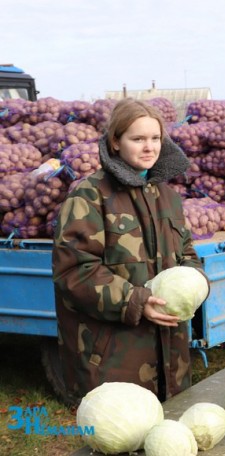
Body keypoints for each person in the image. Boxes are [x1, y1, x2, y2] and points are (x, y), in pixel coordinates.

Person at [52, 99, 208, 404]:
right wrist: (134, 300)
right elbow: (74, 270)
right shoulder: (90, 196)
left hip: (170, 357)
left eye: (155, 139)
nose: (149, 147)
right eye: (137, 139)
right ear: (115, 142)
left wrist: (196, 282)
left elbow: (187, 254)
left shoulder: (168, 197)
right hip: (113, 358)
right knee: (121, 438)